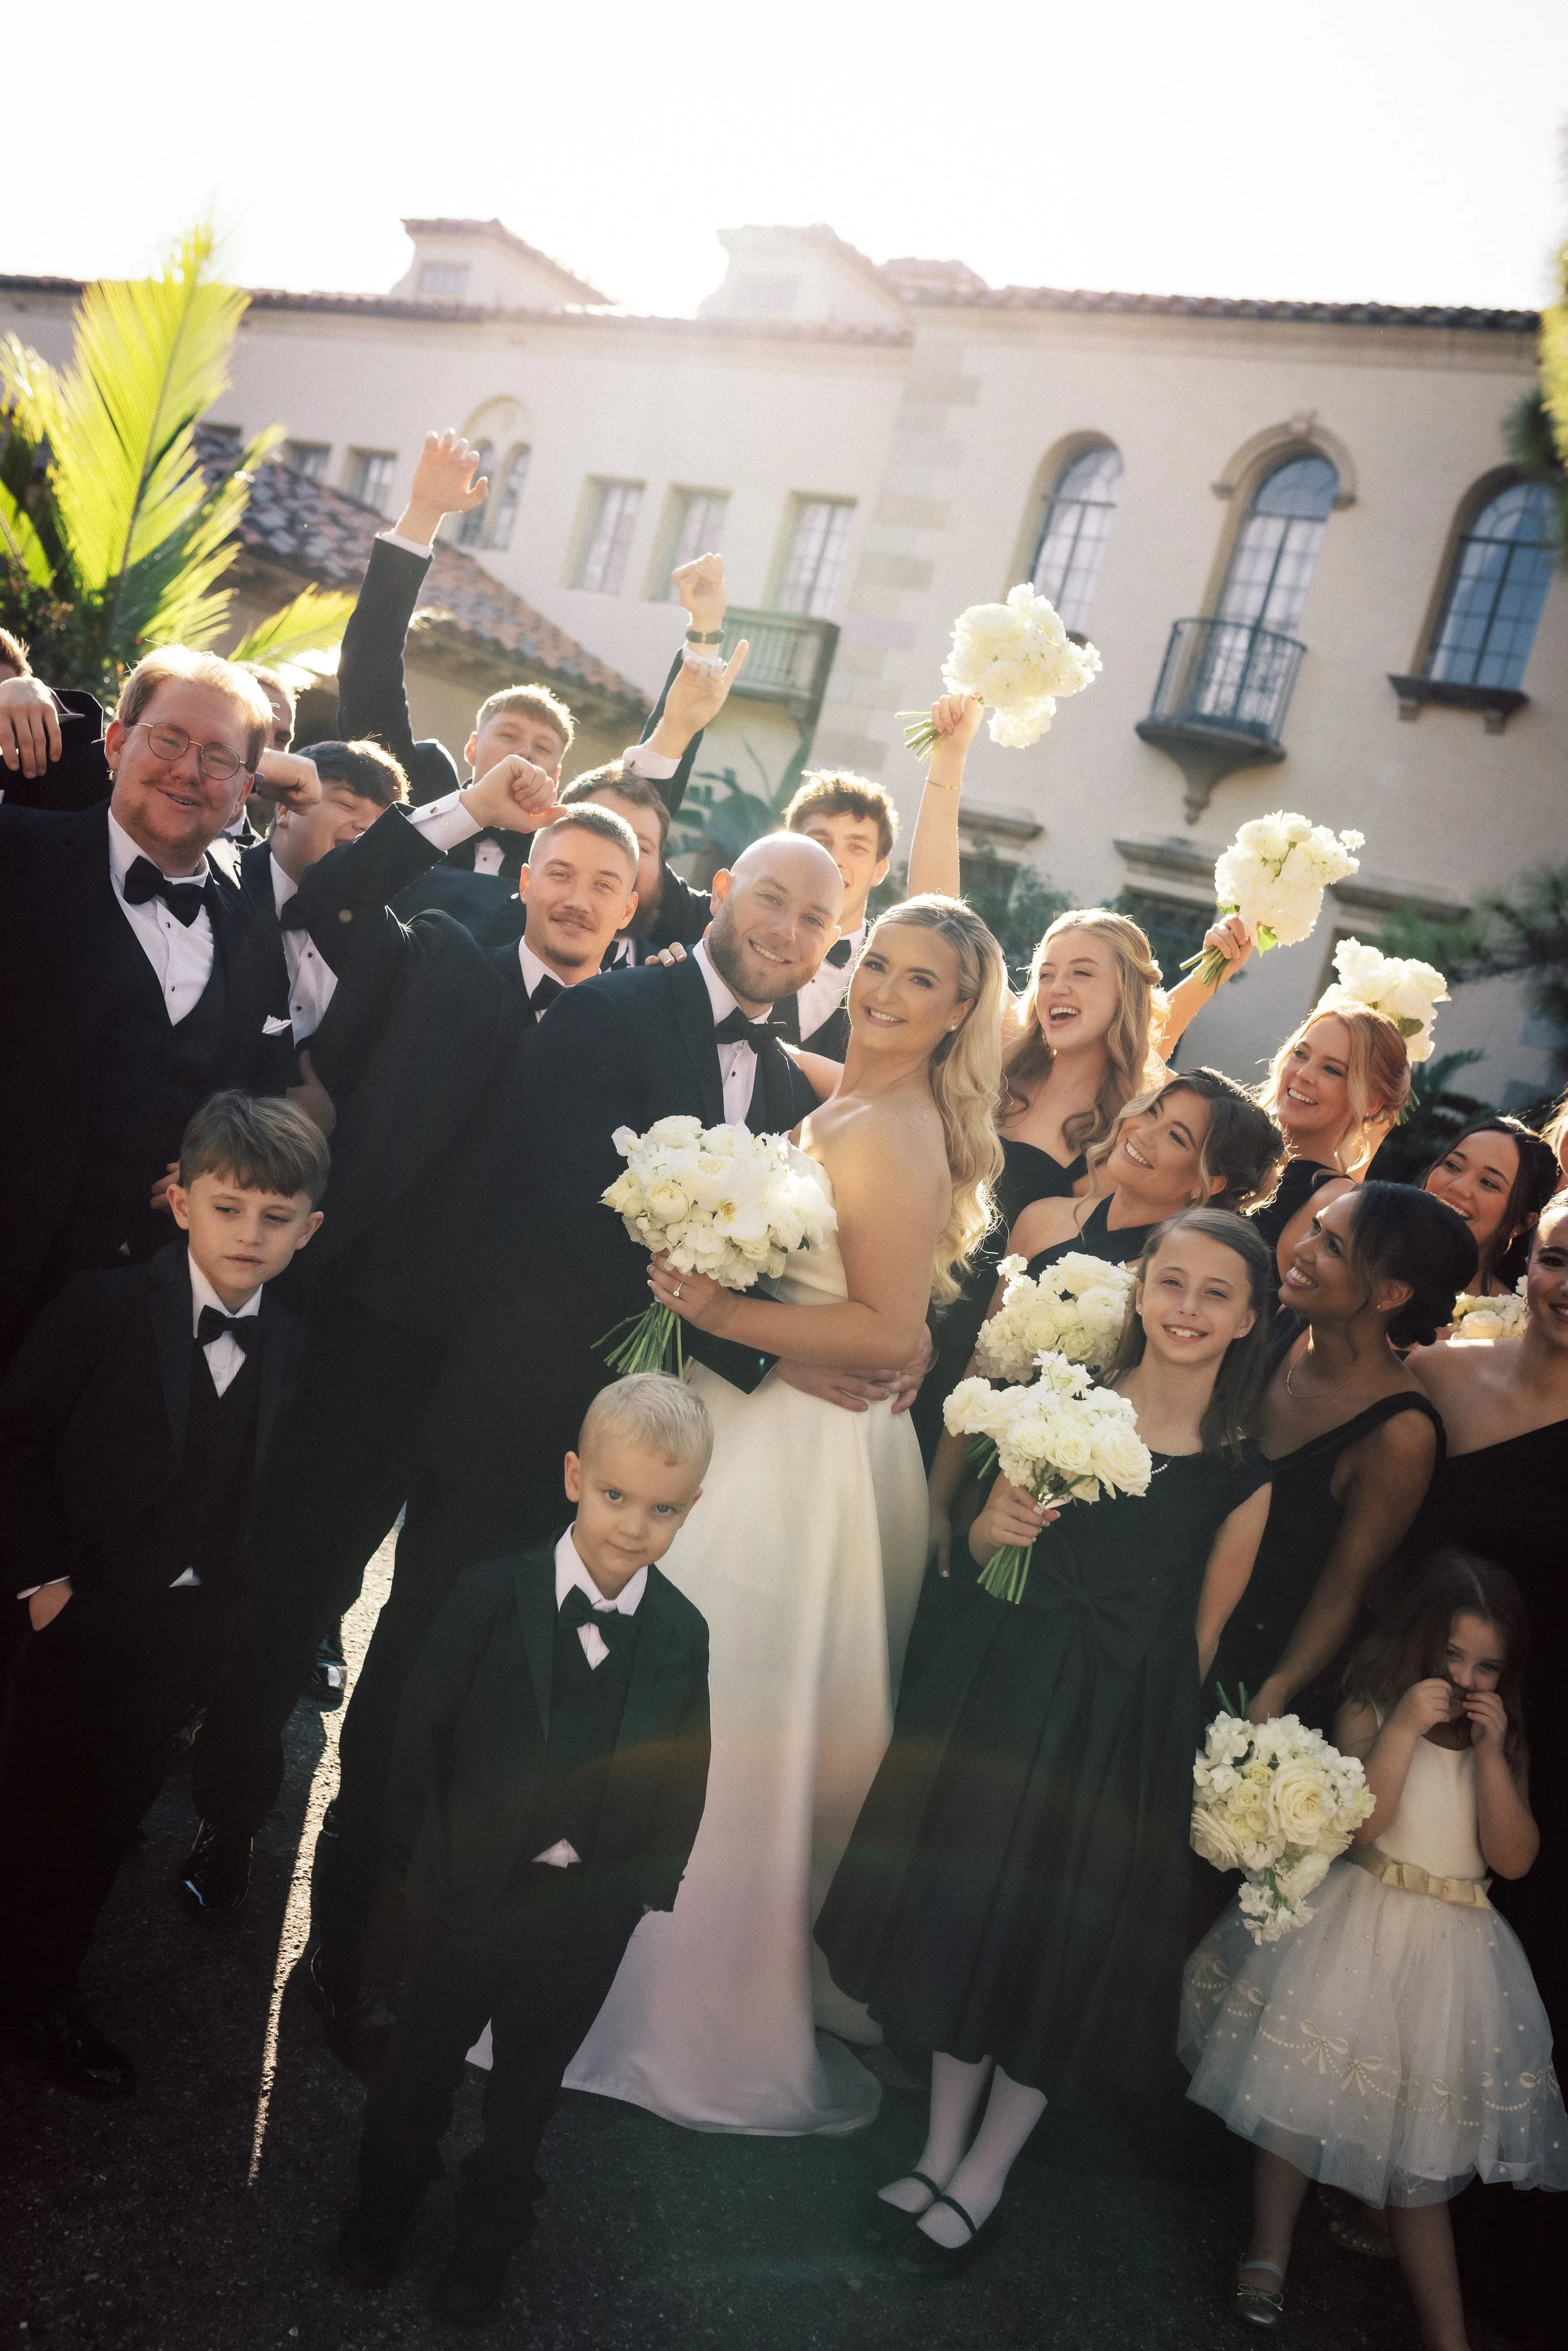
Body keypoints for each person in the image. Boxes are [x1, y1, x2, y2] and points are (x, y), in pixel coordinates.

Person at [306, 831, 835, 2038]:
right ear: (717, 897)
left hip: (639, 1460)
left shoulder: (799, 1088)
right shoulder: (609, 1015)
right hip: (515, 1422)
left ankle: (463, 1968)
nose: (787, 931)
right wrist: (747, 1339)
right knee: (420, 1685)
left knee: (534, 1723)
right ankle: (348, 1955)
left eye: (815, 917)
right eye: (771, 899)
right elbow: (560, 1210)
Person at [564, 896, 1007, 2137]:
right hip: (759, 1429)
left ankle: (691, 2008)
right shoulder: (844, 1100)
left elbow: (888, 1331)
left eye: (923, 980)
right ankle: (607, 1956)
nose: (884, 989)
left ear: (959, 1010)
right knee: (690, 1705)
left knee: (732, 1719)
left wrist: (713, 1311)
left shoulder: (899, 1129)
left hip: (801, 1469)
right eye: (878, 962)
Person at [181, 799, 640, 1922]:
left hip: (512, 1388)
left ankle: (359, 1872)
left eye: (605, 884)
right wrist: (467, 810)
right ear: (526, 878)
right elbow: (329, 900)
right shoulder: (441, 956)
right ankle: (229, 1815)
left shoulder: (636, 1038)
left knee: (432, 1631)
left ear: (634, 908)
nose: (578, 898)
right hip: (370, 1337)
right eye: (561, 872)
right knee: (292, 1580)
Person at [815, 1209, 1276, 2272]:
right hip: (1007, 1696)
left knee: (1051, 1948)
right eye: (1172, 1281)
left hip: (1115, 1733)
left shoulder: (1243, 1481)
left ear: (1251, 1317)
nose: (1188, 1308)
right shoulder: (1062, 1402)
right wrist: (993, 1527)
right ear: (1141, 1290)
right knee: (972, 1916)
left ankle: (985, 2177)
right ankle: (937, 2151)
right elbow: (979, 1551)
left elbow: (1199, 1641)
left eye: (1217, 1292)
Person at [334, 1375, 714, 2323]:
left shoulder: (682, 1633)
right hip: (466, 1895)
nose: (633, 1527)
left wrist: (640, 1890)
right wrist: (422, 1865)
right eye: (616, 1496)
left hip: (583, 1917)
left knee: (529, 2089)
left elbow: (686, 1769)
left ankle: (491, 2233)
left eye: (662, 1509)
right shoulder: (489, 1594)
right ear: (575, 1476)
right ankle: (383, 2207)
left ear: (692, 1509)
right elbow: (422, 1731)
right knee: (421, 2063)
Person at [0, 1093, 327, 2094]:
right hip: (71, 1610)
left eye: (276, 1218)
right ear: (180, 1202)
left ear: (310, 1230)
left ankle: (45, 1991)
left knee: (108, 1817)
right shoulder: (103, 1305)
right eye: (228, 1208)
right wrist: (45, 1582)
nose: (249, 1235)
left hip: (184, 1630)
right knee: (26, 1805)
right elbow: (15, 1440)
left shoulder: (305, 1346)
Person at [1182, 1552, 1567, 2348]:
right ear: (1421, 1645)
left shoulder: (1506, 1740)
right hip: (1353, 1925)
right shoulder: (1371, 1708)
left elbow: (1515, 1856)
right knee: (1293, 2101)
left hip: (1450, 1958)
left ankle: (1446, 2334)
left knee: (1419, 2166)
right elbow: (1362, 1824)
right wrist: (1400, 1727)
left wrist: (1493, 1757)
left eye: (1486, 1665)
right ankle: (1269, 2248)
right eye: (1451, 1656)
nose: (1465, 1679)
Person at [0, 646, 314, 1381]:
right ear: (116, 743)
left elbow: (259, 1080)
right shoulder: (14, 856)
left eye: (217, 758)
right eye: (168, 740)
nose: (187, 769)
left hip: (129, 1321)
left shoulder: (254, 920)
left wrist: (221, 1149)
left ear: (244, 791)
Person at [1402, 1202, 1568, 2346]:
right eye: (1561, 1257)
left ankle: (1493, 2244)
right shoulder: (1442, 1376)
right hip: (1426, 1717)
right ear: (1529, 1256)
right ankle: (1374, 2170)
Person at [1209, 1185, 1476, 1732]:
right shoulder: (1273, 1327)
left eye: (1333, 1247)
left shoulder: (1399, 1433)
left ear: (1390, 1293)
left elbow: (1342, 1592)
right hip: (1170, 1606)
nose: (1304, 1251)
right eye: (1315, 1228)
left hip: (1248, 1668)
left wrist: (1275, 1690)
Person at [1249, 1000, 1413, 1271]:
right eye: (1301, 1054)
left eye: (1332, 1070)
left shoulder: (1335, 1200)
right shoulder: (1230, 1135)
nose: (1303, 1074)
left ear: (1372, 1103)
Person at [1419, 1114, 1559, 1302]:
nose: (1459, 1187)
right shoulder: (1368, 1251)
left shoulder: (1513, 1325)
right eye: (1453, 1165)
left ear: (1520, 1223)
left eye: (1488, 1183)